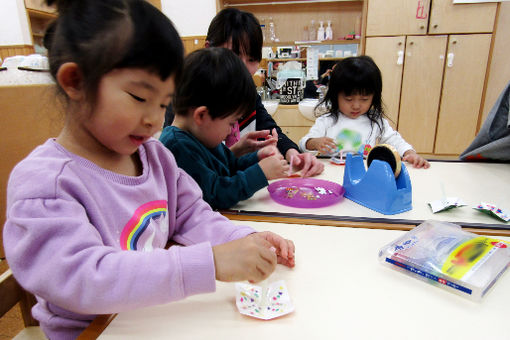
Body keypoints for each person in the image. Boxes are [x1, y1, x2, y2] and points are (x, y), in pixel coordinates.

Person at [2, 1, 295, 339]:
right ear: (76, 82)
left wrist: (242, 239)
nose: (155, 120)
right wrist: (211, 262)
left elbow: (192, 214)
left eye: (162, 103)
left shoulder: (154, 156)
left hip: (153, 316)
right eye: (140, 98)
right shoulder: (45, 184)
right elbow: (85, 278)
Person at [165, 8, 324, 177]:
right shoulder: (188, 98)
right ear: (209, 49)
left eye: (252, 59)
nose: (243, 67)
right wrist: (257, 173)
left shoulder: (243, 92)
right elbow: (206, 177)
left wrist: (293, 154)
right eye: (234, 55)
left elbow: (269, 128)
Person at [160, 48, 289, 210]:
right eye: (230, 123)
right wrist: (260, 173)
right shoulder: (177, 147)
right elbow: (215, 194)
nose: (231, 131)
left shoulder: (201, 134)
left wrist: (257, 158)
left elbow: (229, 165)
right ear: (201, 116)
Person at [299, 56, 430, 169]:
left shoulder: (376, 121)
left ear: (374, 97)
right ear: (335, 96)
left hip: (364, 172)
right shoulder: (328, 120)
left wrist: (409, 153)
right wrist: (314, 142)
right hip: (332, 172)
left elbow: (394, 139)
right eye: (348, 99)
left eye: (364, 99)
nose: (356, 106)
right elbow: (304, 143)